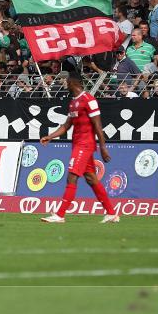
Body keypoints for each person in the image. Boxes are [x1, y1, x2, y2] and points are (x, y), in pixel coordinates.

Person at [39, 72, 119, 224]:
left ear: (73, 82)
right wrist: (50, 136)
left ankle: (60, 214)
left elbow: (98, 125)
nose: (64, 83)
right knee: (90, 178)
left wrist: (103, 147)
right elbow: (66, 125)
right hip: (78, 144)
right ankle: (111, 213)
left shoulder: (89, 100)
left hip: (85, 144)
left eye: (66, 81)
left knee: (72, 176)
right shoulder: (73, 102)